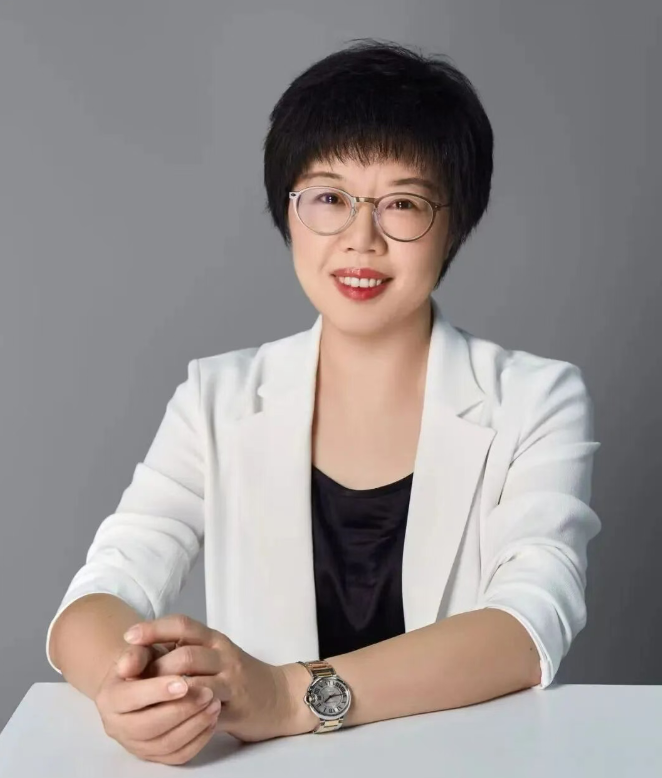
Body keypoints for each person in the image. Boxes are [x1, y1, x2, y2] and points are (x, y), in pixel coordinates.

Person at [45, 38, 601, 763]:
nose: (360, 240)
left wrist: (289, 695)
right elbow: (97, 597)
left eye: (403, 204)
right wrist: (126, 689)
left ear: (455, 223)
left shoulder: (536, 398)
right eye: (330, 198)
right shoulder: (216, 398)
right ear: (289, 210)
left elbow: (529, 626)